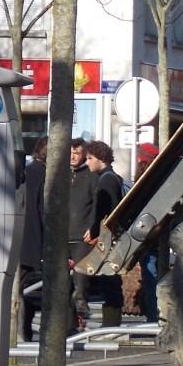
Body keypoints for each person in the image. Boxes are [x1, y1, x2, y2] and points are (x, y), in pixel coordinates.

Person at [84, 140, 124, 328]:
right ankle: (111, 322)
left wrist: (93, 231)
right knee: (109, 279)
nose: (87, 162)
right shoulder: (111, 177)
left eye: (90, 158)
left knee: (108, 279)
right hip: (110, 235)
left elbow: (104, 211)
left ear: (101, 158)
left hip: (108, 237)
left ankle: (111, 324)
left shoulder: (106, 179)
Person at [18, 139, 47, 342]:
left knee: (18, 288)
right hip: (31, 239)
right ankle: (21, 333)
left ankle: (22, 331)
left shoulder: (27, 172)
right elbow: (43, 209)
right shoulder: (43, 173)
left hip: (19, 239)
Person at [68, 137, 96, 330]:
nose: (72, 157)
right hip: (61, 235)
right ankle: (67, 319)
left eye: (76, 153)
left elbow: (96, 204)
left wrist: (92, 227)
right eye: (69, 153)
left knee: (80, 282)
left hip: (81, 237)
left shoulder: (91, 176)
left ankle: (80, 317)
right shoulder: (60, 174)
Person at [135, 142, 160, 322]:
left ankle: (153, 319)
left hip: (149, 238)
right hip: (155, 237)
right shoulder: (158, 178)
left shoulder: (144, 181)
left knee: (151, 281)